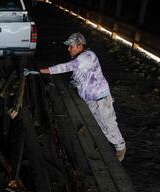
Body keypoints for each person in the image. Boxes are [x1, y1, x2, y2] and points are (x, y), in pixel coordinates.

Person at [39, 32, 126, 161]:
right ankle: (107, 145)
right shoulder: (79, 58)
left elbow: (66, 67)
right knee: (99, 124)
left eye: (71, 46)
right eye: (68, 46)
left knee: (109, 123)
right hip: (91, 99)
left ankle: (120, 147)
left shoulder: (88, 56)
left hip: (100, 98)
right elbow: (78, 74)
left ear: (80, 46)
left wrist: (43, 71)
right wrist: (75, 81)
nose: (68, 49)